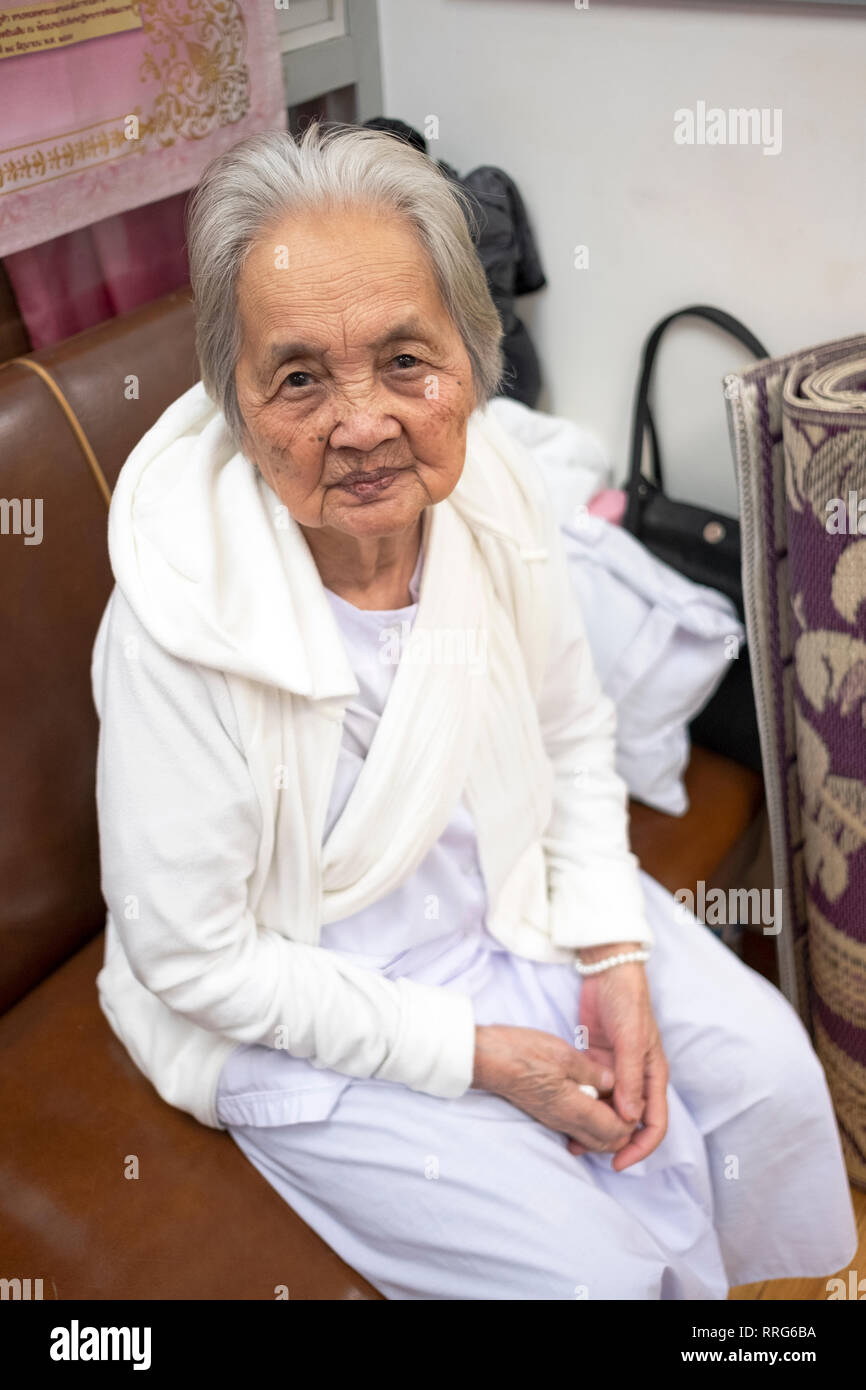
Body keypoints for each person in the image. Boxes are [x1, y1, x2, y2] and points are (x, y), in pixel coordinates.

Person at [92, 122, 857, 1300]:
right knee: (587, 1276)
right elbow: (192, 955)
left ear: (473, 357)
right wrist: (477, 1060)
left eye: (406, 359)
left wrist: (610, 945)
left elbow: (567, 731)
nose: (360, 423)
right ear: (234, 402)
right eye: (297, 376)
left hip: (510, 897)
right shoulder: (175, 618)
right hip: (304, 990)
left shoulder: (489, 487)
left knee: (765, 1076)